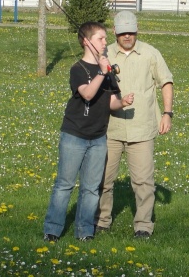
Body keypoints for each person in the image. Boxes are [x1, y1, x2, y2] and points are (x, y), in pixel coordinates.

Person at [43, 21, 134, 242]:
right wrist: (102, 73)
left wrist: (122, 103)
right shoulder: (78, 69)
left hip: (98, 137)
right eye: (100, 39)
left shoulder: (107, 69)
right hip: (74, 135)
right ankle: (52, 230)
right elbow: (87, 94)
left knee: (91, 188)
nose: (105, 43)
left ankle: (85, 231)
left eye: (105, 38)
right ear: (86, 42)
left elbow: (111, 101)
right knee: (64, 184)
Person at [96, 10, 174, 239]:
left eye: (131, 32)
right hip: (110, 129)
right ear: (114, 32)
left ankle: (143, 225)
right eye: (122, 33)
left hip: (142, 129)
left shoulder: (151, 53)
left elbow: (166, 82)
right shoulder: (105, 54)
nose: (127, 37)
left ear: (137, 30)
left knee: (143, 182)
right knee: (103, 179)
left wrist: (167, 113)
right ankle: (102, 220)